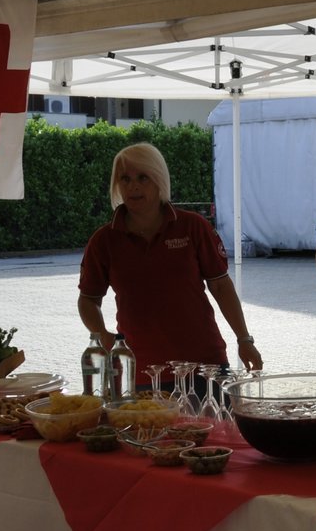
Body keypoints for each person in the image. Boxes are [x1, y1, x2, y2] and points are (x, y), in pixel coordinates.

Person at [78, 142, 262, 384]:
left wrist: (244, 339)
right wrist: (101, 335)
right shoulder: (104, 240)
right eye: (125, 178)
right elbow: (88, 300)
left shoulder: (193, 227)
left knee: (216, 423)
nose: (133, 186)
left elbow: (221, 286)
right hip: (140, 370)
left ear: (159, 179)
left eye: (143, 177)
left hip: (204, 366)